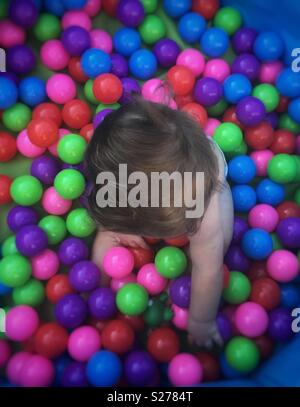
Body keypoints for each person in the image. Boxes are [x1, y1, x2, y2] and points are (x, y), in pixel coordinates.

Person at [85, 98, 234, 348]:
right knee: (110, 221)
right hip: (157, 169)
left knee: (218, 243)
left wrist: (201, 322)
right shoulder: (118, 178)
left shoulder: (203, 209)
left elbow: (209, 273)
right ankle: (94, 287)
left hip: (211, 184)